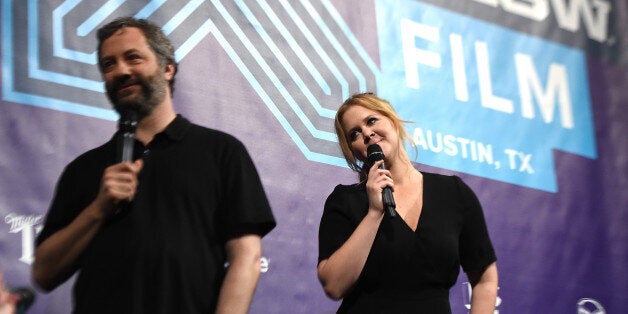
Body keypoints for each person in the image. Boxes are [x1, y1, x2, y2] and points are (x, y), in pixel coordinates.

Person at [32, 17, 276, 314]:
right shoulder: (84, 169)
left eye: (132, 57)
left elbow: (246, 257)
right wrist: (98, 208)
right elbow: (43, 274)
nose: (120, 70)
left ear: (167, 68)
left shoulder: (221, 152)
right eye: (109, 64)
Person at [317, 93, 498, 313]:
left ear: (392, 121)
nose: (366, 133)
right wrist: (374, 213)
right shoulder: (345, 200)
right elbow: (334, 286)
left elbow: (485, 280)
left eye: (371, 120)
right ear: (352, 150)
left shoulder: (453, 192)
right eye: (354, 133)